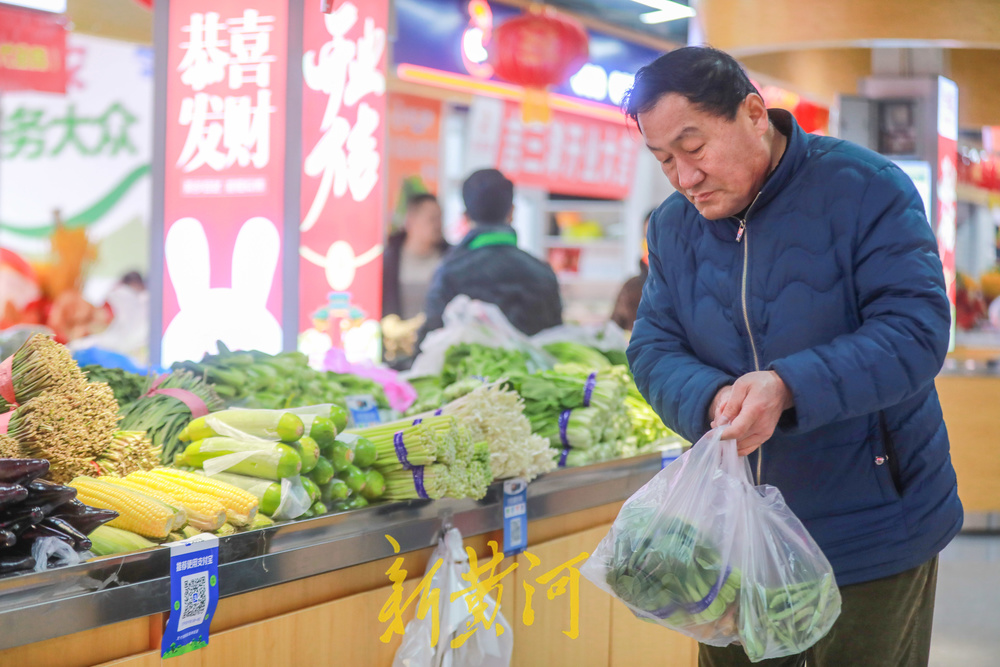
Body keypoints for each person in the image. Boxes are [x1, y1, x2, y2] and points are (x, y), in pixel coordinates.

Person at [625, 47, 961, 667]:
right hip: (730, 534)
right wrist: (708, 396)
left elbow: (915, 331)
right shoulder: (673, 227)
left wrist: (787, 386)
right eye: (663, 158)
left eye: (694, 148)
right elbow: (652, 345)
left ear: (754, 112)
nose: (683, 177)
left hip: (872, 526)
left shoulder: (865, 190)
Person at [418, 169, 562, 343]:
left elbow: (430, 343)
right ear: (512, 212)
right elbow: (556, 341)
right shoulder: (542, 273)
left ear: (465, 216)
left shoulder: (448, 273)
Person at [382, 193, 450, 320]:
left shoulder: (450, 259)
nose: (438, 225)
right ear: (411, 220)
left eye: (440, 219)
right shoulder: (388, 260)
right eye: (432, 219)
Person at [610, 210, 653, 332]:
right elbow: (612, 330)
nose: (652, 243)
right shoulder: (631, 287)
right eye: (647, 237)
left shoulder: (687, 287)